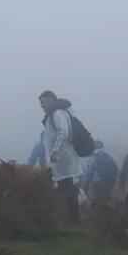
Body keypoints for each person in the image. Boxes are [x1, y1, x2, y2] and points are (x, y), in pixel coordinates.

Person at [39, 90, 81, 224]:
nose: (42, 105)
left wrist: (55, 151)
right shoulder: (54, 114)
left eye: (44, 102)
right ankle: (70, 220)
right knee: (65, 190)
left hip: (63, 160)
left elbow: (63, 132)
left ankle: (72, 221)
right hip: (61, 161)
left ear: (52, 100)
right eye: (41, 103)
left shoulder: (57, 114)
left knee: (67, 190)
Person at [80, 141, 119, 205]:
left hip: (98, 184)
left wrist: (85, 189)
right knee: (105, 199)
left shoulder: (94, 158)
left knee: (96, 201)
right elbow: (116, 170)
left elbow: (89, 174)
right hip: (109, 183)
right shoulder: (109, 157)